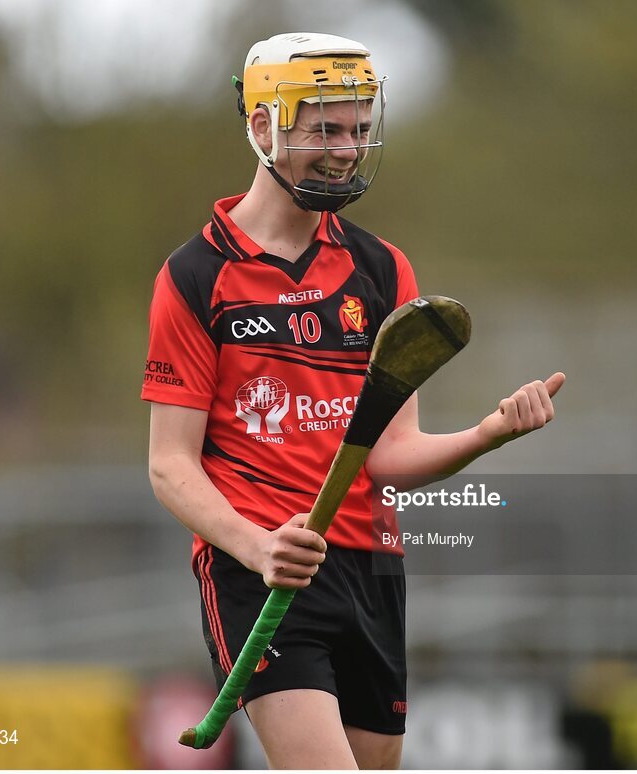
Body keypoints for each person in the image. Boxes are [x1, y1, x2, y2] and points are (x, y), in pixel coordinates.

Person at [142, 32, 565, 769]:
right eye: (326, 129)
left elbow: (390, 457)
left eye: (359, 129)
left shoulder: (379, 269)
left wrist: (488, 433)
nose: (346, 148)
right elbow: (170, 466)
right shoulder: (195, 276)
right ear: (264, 125)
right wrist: (257, 546)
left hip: (370, 567)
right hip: (262, 569)